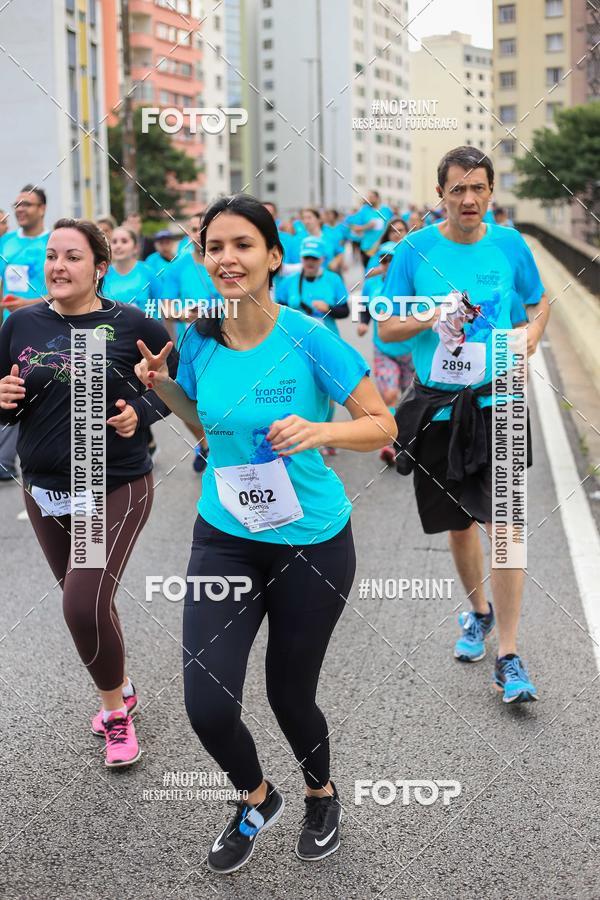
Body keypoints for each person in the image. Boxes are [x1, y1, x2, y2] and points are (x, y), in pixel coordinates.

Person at [134, 193, 396, 874]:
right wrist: (163, 387)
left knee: (289, 693)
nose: (228, 258)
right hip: (225, 533)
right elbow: (203, 430)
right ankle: (256, 797)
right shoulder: (198, 338)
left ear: (273, 256)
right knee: (206, 701)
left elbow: (382, 423)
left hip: (311, 539)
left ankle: (321, 792)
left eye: (243, 244)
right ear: (202, 258)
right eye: (215, 246)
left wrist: (321, 429)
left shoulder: (307, 336)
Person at [0, 218, 177, 766]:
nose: (58, 266)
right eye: (52, 256)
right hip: (46, 488)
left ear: (100, 268)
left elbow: (174, 389)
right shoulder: (20, 323)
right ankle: (121, 685)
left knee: (81, 602)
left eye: (73, 257)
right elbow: (7, 398)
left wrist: (137, 416)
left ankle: (115, 716)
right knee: (91, 601)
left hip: (114, 482)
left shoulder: (131, 324)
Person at [379, 145, 550, 704]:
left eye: (478, 188)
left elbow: (536, 303)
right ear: (441, 196)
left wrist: (526, 344)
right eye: (458, 189)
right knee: (459, 527)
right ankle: (477, 612)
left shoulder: (509, 245)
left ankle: (509, 652)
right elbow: (387, 330)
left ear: (491, 193)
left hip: (497, 399)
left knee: (506, 525)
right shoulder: (414, 250)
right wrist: (432, 314)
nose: (469, 199)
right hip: (439, 408)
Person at [0, 185, 50, 483]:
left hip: (42, 327)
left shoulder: (50, 243)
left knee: (32, 390)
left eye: (27, 204)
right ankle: (6, 460)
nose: (20, 209)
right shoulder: (5, 243)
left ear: (42, 208)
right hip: (10, 329)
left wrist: (26, 305)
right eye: (17, 204)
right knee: (10, 388)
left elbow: (61, 291)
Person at [162, 212, 219, 472]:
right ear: (189, 233)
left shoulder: (225, 261)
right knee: (185, 399)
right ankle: (205, 443)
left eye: (205, 228)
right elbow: (166, 307)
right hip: (192, 342)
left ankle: (227, 446)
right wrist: (187, 314)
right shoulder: (178, 266)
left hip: (228, 342)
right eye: (195, 229)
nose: (199, 233)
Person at [357, 241, 414, 465]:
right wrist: (363, 323)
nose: (388, 264)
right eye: (384, 260)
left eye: (392, 260)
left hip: (410, 350)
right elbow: (363, 307)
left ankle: (408, 440)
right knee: (389, 395)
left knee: (408, 400)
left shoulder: (410, 285)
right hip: (384, 350)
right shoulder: (372, 285)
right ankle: (389, 444)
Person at [346, 190, 393, 268]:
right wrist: (367, 226)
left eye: (371, 197)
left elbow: (392, 225)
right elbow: (353, 227)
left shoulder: (386, 210)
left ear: (377, 198)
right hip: (367, 248)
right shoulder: (364, 210)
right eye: (368, 197)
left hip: (383, 247)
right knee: (368, 272)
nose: (369, 199)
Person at [299, 208, 344, 273]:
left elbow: (340, 252)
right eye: (303, 218)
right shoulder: (299, 239)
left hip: (328, 275)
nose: (306, 221)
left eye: (309, 218)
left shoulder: (330, 237)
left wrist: (336, 261)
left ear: (318, 219)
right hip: (307, 278)